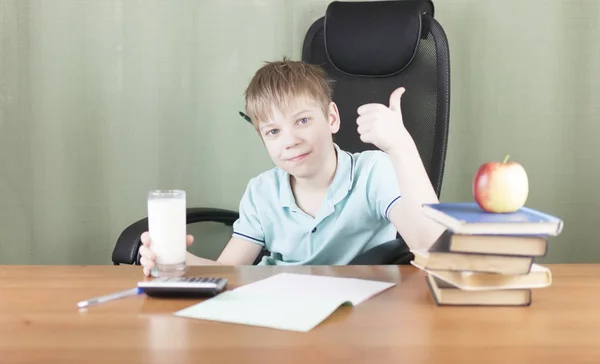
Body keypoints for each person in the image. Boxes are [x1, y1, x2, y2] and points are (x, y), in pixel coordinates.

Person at [139, 58, 444, 276]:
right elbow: (228, 272)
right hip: (279, 307)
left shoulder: (373, 172)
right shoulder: (262, 191)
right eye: (273, 131)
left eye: (302, 120)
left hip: (362, 309)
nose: (291, 140)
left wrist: (400, 146)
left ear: (332, 118)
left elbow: (432, 248)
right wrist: (179, 259)